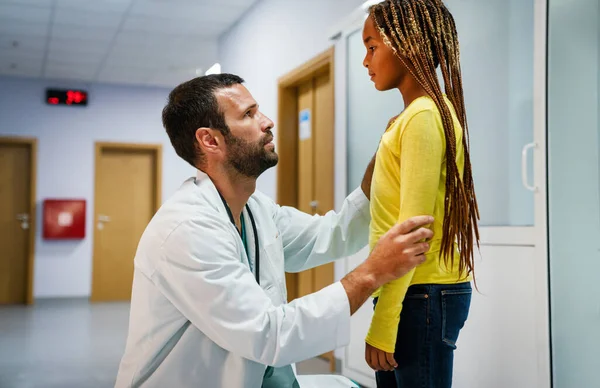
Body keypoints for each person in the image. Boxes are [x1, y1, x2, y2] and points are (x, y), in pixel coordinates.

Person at [114, 73, 435, 388]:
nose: (267, 121)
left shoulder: (254, 209)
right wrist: (371, 274)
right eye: (249, 114)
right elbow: (270, 334)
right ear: (210, 140)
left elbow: (331, 235)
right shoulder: (186, 230)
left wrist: (378, 173)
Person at [361, 1, 480, 387]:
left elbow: (413, 233)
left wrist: (383, 321)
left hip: (422, 295)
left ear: (406, 43)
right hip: (413, 292)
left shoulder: (424, 116)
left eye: (372, 46)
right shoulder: (415, 116)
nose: (366, 60)